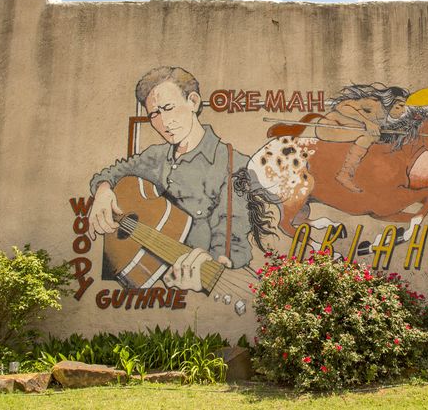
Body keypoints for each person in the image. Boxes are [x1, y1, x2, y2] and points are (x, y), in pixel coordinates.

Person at [87, 66, 271, 292]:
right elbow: (115, 172)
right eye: (154, 114)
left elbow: (232, 239)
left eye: (168, 107)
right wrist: (103, 191)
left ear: (193, 102)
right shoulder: (154, 157)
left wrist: (215, 264)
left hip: (200, 295)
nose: (163, 121)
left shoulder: (233, 164)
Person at [314, 83, 410, 192]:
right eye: (400, 106)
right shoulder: (373, 103)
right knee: (369, 135)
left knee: (374, 135)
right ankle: (345, 175)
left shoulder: (384, 115)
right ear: (390, 102)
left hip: (345, 128)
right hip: (329, 126)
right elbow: (341, 106)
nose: (402, 111)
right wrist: (367, 122)